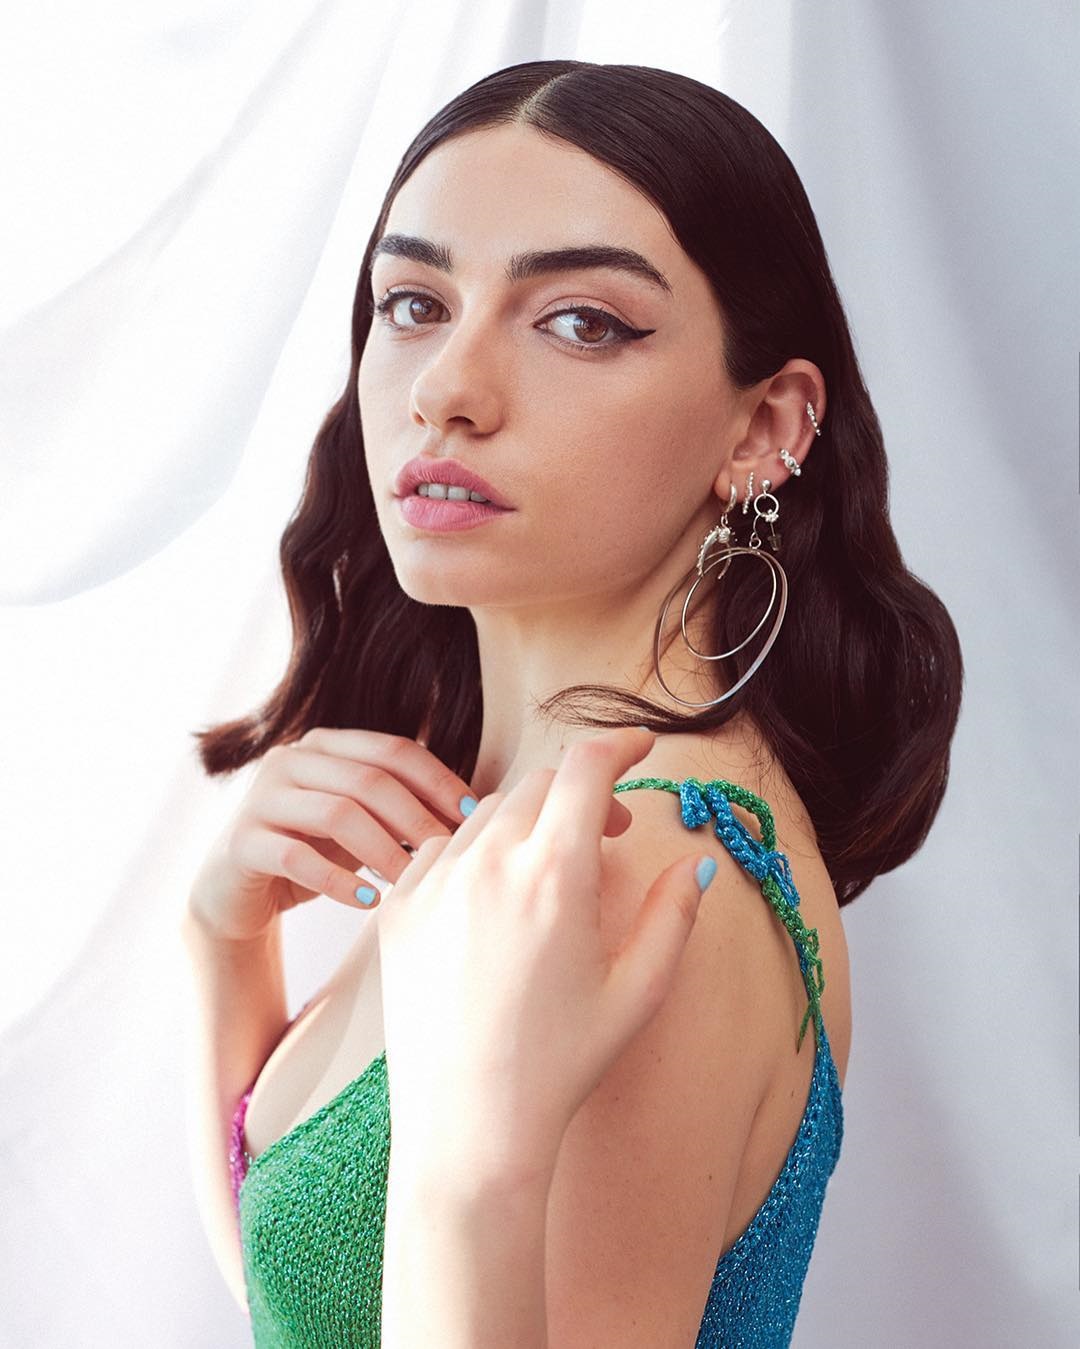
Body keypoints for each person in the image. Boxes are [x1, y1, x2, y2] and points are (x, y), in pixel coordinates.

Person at [180, 59, 963, 1347]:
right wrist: (222, 944)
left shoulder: (636, 869)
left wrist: (471, 1173)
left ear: (765, 428)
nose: (446, 388)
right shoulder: (538, 822)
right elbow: (308, 1308)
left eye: (582, 323)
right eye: (414, 303)